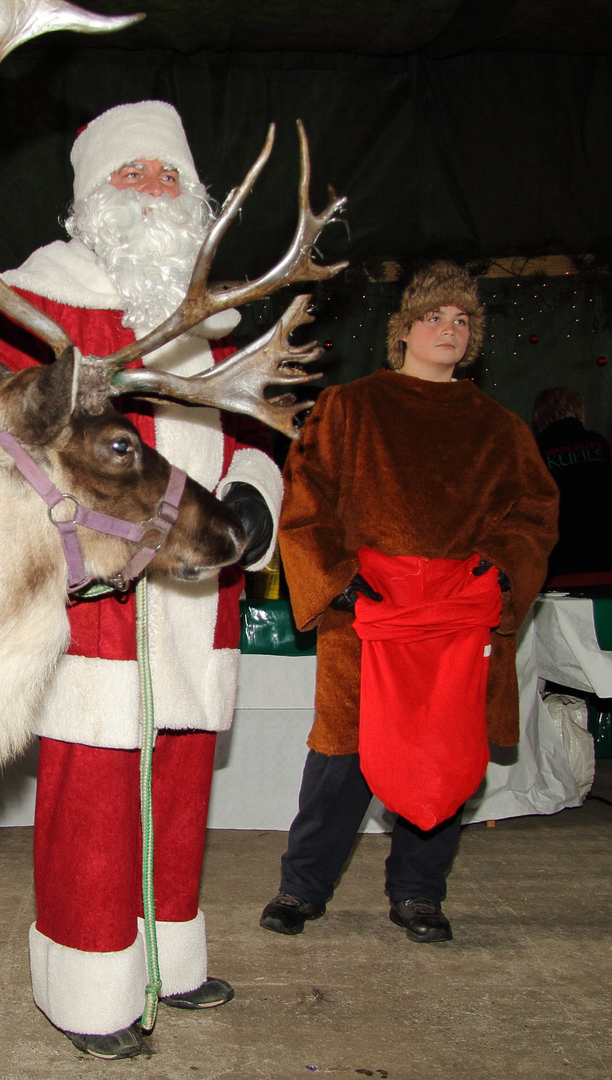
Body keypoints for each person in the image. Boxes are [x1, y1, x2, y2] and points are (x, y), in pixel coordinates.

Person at [0, 100, 282, 1059]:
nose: (152, 190)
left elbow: (257, 430)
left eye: (167, 175)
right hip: (98, 595)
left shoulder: (210, 317)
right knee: (94, 791)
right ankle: (87, 985)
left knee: (179, 782)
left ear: (193, 196)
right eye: (131, 175)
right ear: (91, 194)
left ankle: (169, 959)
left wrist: (253, 495)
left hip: (198, 588)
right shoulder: (38, 298)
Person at [259, 261, 558, 945]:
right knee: (340, 757)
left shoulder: (499, 427)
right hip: (366, 613)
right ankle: (300, 889)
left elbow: (535, 512)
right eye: (434, 317)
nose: (448, 329)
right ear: (403, 331)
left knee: (442, 754)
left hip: (456, 616)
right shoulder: (349, 408)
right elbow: (305, 499)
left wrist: (500, 571)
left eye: (461, 321)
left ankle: (418, 893)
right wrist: (336, 580)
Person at [532, 386, 612, 587]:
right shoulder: (601, 445)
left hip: (557, 566)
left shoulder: (533, 451)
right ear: (579, 410)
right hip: (605, 560)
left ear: (540, 416)